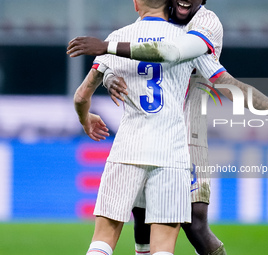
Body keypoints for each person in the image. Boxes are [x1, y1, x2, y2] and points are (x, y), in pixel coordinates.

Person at [68, 1, 268, 255]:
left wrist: (104, 61)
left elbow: (168, 53)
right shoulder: (171, 32)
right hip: (170, 147)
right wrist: (109, 77)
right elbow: (226, 84)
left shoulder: (200, 26)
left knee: (189, 223)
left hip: (162, 138)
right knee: (149, 227)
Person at [72, 0, 227, 255]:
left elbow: (80, 96)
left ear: (135, 4)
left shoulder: (118, 38)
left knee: (102, 240)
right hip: (171, 150)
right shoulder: (183, 40)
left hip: (129, 147)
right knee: (162, 244)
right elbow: (219, 78)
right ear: (168, 4)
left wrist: (85, 117)